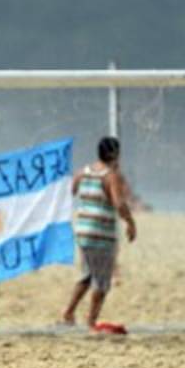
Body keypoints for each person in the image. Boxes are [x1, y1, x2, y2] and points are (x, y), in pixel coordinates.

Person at [61, 136, 137, 331]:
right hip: (101, 235)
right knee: (102, 281)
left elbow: (68, 193)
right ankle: (91, 321)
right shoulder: (110, 176)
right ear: (115, 154)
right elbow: (119, 203)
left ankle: (69, 312)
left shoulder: (82, 172)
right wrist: (130, 222)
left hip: (83, 231)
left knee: (87, 275)